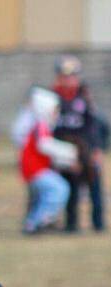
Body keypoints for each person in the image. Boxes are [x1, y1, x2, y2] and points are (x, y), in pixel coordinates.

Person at [52, 55, 106, 232]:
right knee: (71, 188)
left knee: (95, 186)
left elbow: (95, 126)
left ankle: (98, 223)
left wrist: (97, 150)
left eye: (72, 76)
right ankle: (71, 224)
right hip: (66, 149)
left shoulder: (85, 97)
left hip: (86, 148)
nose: (68, 80)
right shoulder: (53, 98)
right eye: (64, 76)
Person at [19, 88, 74, 234]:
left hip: (37, 168)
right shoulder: (40, 126)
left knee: (46, 195)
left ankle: (37, 221)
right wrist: (69, 152)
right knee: (60, 189)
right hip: (35, 169)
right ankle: (40, 221)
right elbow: (45, 145)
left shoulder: (42, 126)